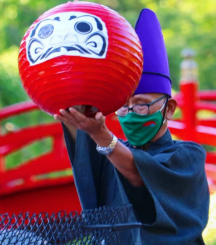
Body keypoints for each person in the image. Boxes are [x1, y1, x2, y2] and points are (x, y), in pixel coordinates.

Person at [54, 8, 209, 245]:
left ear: (168, 109)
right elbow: (86, 152)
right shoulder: (111, 159)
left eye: (141, 105)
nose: (130, 114)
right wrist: (75, 94)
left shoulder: (187, 156)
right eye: (124, 107)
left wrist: (101, 134)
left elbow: (137, 173)